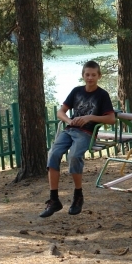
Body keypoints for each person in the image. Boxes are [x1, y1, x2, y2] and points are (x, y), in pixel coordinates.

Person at [40, 60, 115, 218]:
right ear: (83, 75)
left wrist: (89, 117)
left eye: (93, 75)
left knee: (74, 156)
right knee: (53, 154)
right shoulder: (76, 91)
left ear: (99, 76)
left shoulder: (102, 95)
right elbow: (60, 112)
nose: (90, 78)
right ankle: (54, 199)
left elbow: (111, 119)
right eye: (87, 74)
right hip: (70, 130)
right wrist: (69, 121)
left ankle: (78, 196)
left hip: (86, 132)